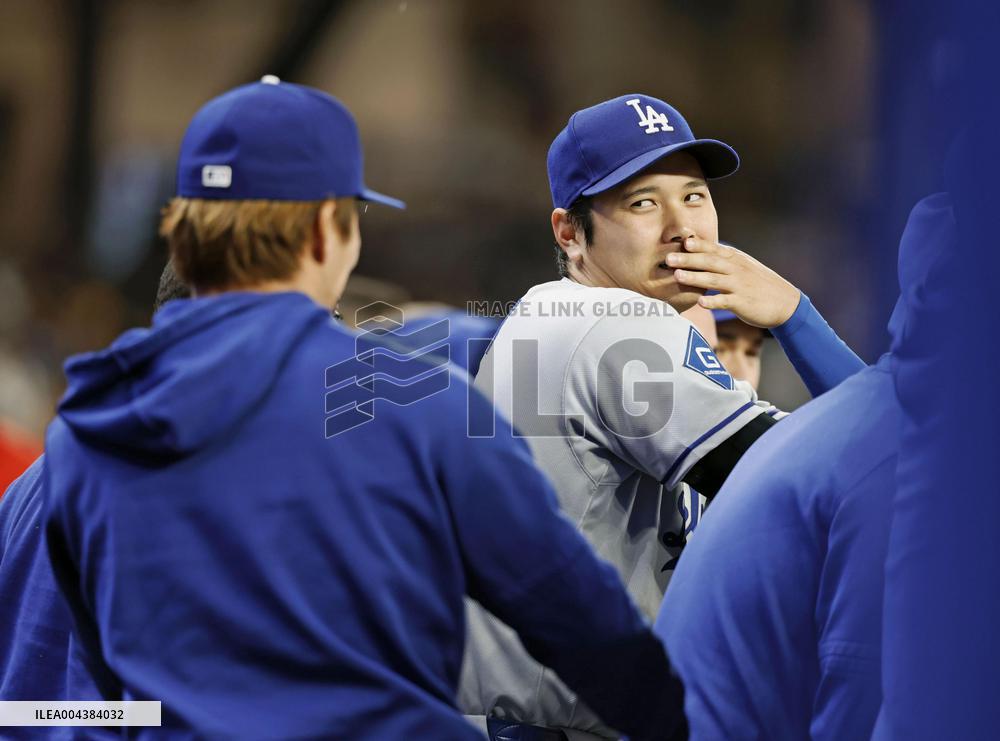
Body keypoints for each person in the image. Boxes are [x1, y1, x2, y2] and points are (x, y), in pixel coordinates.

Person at [41, 79, 687, 739]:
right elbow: (586, 628)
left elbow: (92, 693)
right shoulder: (413, 404)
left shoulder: (84, 431)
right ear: (328, 230)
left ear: (183, 237)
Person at [460, 93, 864, 740]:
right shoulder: (613, 325)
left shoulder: (549, 316)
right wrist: (795, 316)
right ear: (570, 232)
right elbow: (856, 476)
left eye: (695, 195)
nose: (684, 228)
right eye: (642, 202)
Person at [654, 194, 953, 740]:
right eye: (717, 347)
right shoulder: (880, 466)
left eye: (750, 347)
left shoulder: (862, 433)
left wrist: (797, 317)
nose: (735, 366)